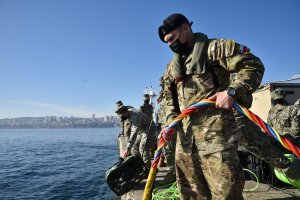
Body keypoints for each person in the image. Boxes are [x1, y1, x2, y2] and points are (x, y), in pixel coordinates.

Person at [158, 13, 265, 199]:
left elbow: (253, 65)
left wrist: (232, 92)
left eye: (172, 38)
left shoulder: (215, 49)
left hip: (217, 142)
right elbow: (169, 101)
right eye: (167, 42)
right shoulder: (171, 68)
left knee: (226, 195)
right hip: (184, 146)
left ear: (185, 28)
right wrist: (169, 123)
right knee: (190, 195)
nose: (171, 45)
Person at [115, 101, 156, 169]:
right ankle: (139, 164)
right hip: (142, 128)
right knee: (135, 147)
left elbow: (133, 134)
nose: (121, 117)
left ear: (125, 112)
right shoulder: (129, 112)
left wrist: (127, 149)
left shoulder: (135, 116)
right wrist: (129, 148)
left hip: (149, 128)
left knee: (143, 148)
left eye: (122, 115)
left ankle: (148, 169)